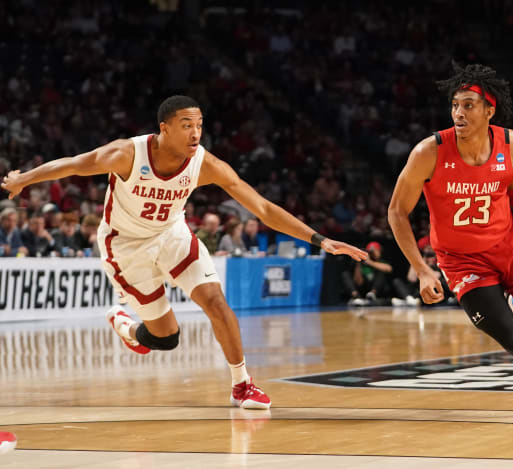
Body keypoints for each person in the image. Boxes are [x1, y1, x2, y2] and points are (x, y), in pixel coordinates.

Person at [2, 95, 367, 410]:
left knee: (216, 301)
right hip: (126, 247)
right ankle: (126, 325)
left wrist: (319, 239)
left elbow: (262, 208)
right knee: (167, 338)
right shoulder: (127, 153)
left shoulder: (204, 163)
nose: (195, 133)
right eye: (186, 125)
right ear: (164, 128)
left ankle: (242, 384)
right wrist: (23, 179)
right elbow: (73, 165)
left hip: (172, 235)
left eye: (199, 125)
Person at [387, 63, 513, 418]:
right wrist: (421, 270)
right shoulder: (428, 152)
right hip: (462, 262)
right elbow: (396, 212)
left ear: (489, 110)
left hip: (512, 249)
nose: (458, 113)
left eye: (468, 105)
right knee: (510, 337)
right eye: (455, 105)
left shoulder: (510, 144)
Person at [391, 236, 454, 307]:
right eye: (426, 248)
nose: (428, 251)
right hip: (419, 291)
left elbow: (437, 276)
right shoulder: (421, 260)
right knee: (397, 281)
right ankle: (409, 299)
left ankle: (407, 302)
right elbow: (411, 278)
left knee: (441, 281)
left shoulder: (438, 259)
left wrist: (426, 265)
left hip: (437, 290)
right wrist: (418, 262)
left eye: (429, 248)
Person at [342, 241, 392, 306]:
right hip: (363, 287)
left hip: (377, 289)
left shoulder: (381, 261)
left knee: (381, 271)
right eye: (370, 252)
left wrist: (370, 262)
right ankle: (355, 296)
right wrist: (358, 262)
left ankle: (372, 294)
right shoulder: (362, 264)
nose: (372, 253)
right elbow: (358, 282)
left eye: (375, 251)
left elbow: (389, 269)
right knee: (345, 274)